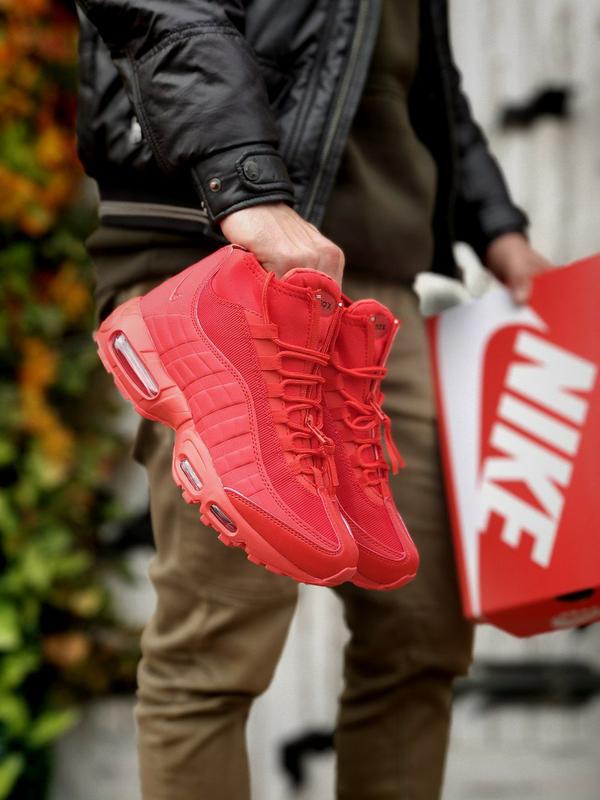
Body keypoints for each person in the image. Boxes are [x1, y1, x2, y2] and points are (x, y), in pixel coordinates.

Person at [75, 1, 551, 797]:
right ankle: (182, 330)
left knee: (421, 635)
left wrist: (497, 227)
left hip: (377, 292)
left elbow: (424, 84)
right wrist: (243, 182)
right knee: (218, 647)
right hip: (225, 248)